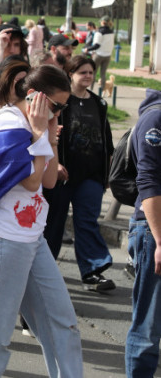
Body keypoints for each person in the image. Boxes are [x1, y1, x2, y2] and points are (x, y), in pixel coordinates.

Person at [0, 65, 82, 378]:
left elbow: (50, 181)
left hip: (30, 236)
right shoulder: (9, 122)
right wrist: (41, 134)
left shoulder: (37, 122)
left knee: (62, 322)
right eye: (56, 105)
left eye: (63, 107)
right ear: (34, 96)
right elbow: (30, 181)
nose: (59, 112)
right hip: (4, 238)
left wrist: (49, 135)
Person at [43, 55, 115, 291]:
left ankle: (93, 271)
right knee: (54, 222)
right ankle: (45, 269)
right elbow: (48, 133)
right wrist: (55, 163)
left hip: (91, 175)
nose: (87, 76)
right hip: (62, 174)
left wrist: (106, 174)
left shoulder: (99, 103)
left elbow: (106, 142)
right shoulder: (61, 102)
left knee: (87, 222)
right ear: (70, 74)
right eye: (82, 72)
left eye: (90, 72)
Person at [125, 88, 161, 376]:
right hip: (153, 230)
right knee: (149, 324)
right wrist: (160, 240)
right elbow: (148, 181)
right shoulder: (155, 119)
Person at [88, 16, 115, 91]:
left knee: (93, 72)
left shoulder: (99, 32)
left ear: (103, 22)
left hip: (99, 55)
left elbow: (97, 45)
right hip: (108, 55)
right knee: (103, 74)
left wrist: (88, 49)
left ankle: (90, 89)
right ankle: (103, 90)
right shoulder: (111, 32)